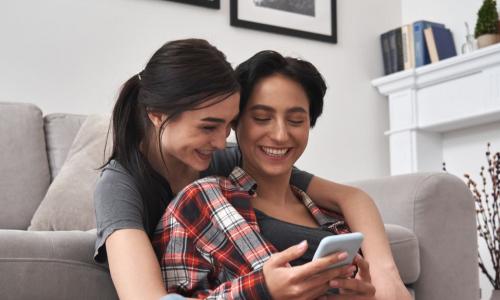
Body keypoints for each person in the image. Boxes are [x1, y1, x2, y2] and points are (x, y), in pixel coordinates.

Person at [94, 39, 408, 300]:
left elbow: (350, 197)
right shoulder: (120, 186)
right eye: (209, 127)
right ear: (157, 115)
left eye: (228, 125)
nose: (221, 142)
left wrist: (385, 275)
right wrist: (263, 288)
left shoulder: (225, 158)